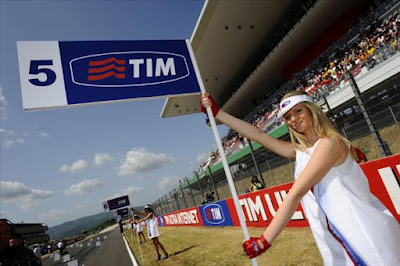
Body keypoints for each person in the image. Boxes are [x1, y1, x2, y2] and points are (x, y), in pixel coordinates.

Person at [200, 91, 400, 264]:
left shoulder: (330, 142)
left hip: (361, 235)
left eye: (298, 111)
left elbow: (296, 193)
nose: (293, 119)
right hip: (334, 238)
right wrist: (219, 114)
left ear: (311, 110)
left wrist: (264, 239)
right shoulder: (302, 151)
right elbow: (258, 135)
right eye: (287, 117)